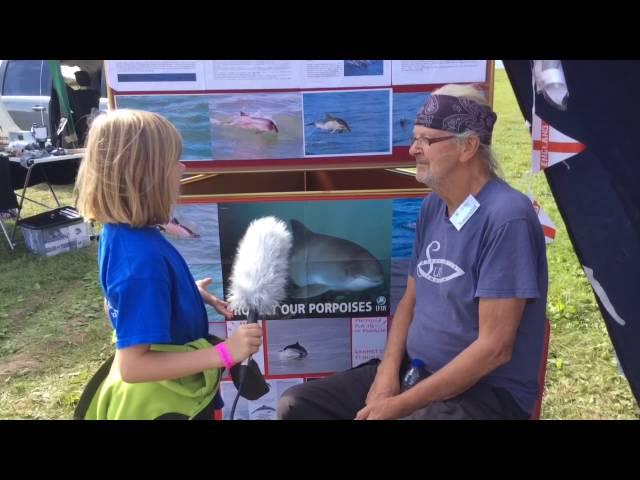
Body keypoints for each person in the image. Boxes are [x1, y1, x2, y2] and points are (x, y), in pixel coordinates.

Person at [278, 84, 548, 420]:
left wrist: (398, 406)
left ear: (468, 146)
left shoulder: (507, 218)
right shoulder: (433, 206)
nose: (413, 149)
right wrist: (386, 374)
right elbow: (409, 301)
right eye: (415, 137)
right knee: (297, 406)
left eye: (426, 140)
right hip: (416, 373)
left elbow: (493, 350)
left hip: (485, 395)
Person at [74, 109, 263, 419]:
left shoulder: (122, 234)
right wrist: (225, 353)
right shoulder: (141, 262)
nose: (183, 167)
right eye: (173, 161)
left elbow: (132, 299)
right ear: (144, 176)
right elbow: (134, 366)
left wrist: (188, 292)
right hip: (167, 405)